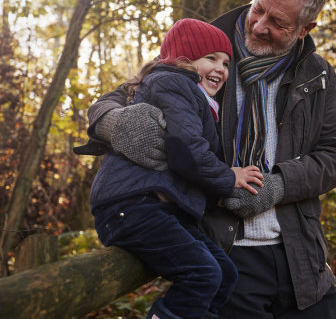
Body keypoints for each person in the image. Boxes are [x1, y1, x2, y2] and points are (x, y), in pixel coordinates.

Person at [79, 0, 336, 318]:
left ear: (305, 29)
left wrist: (278, 185)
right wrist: (114, 124)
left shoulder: (316, 74)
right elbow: (116, 97)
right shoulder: (203, 48)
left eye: (278, 22)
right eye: (259, 10)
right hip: (227, 248)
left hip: (301, 257)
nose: (259, 25)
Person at [85, 18, 264, 319]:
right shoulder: (174, 83)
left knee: (224, 274)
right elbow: (186, 149)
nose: (221, 68)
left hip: (162, 210)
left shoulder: (200, 98)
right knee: (203, 274)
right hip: (131, 206)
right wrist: (228, 177)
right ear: (183, 59)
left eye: (225, 62)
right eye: (211, 58)